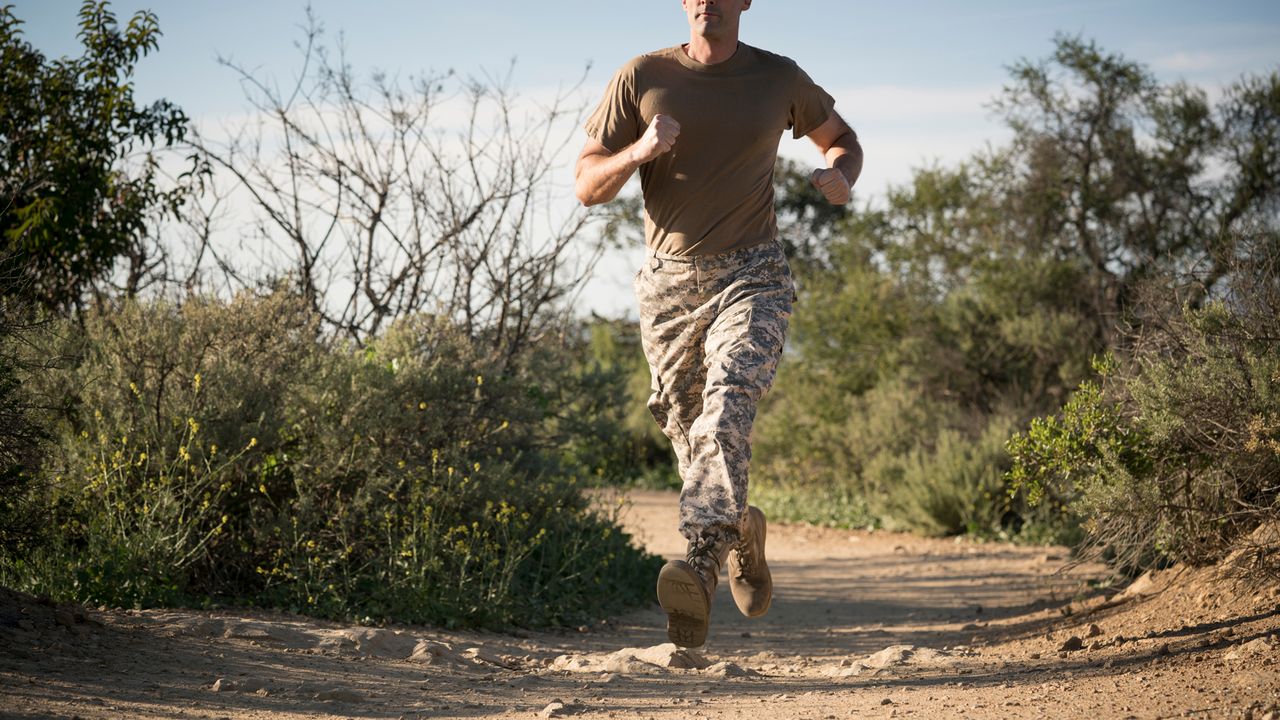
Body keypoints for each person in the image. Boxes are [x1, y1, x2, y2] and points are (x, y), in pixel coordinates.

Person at [574, 0, 863, 648]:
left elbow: (843, 139)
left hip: (753, 274)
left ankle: (701, 565)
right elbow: (587, 184)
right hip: (669, 286)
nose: (706, 0)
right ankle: (741, 534)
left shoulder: (779, 79)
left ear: (743, 3)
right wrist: (640, 150)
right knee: (692, 437)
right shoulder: (641, 77)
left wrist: (839, 174)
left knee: (728, 401)